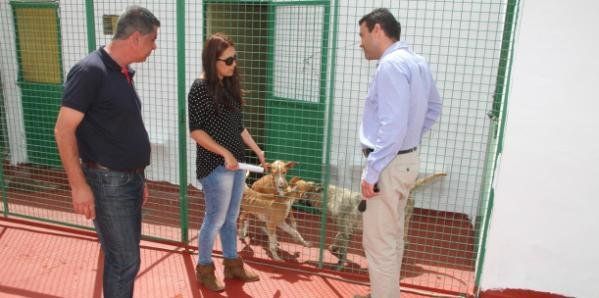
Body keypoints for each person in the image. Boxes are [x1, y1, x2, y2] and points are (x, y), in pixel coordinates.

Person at [54, 5, 159, 298]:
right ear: (136, 38)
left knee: (123, 258)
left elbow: (121, 130)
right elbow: (63, 131)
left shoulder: (122, 73)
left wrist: (139, 178)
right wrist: (78, 186)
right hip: (109, 183)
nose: (155, 46)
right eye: (152, 39)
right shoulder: (90, 71)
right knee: (124, 261)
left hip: (128, 181)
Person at [355, 8, 442, 298]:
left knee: (378, 243)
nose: (361, 42)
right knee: (391, 237)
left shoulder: (391, 65)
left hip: (388, 165)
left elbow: (392, 124)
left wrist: (372, 171)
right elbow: (433, 110)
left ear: (378, 29)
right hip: (406, 160)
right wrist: (409, 139)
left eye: (362, 34)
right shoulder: (417, 62)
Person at [188, 33, 265, 292]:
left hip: (237, 165)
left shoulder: (228, 86)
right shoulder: (200, 88)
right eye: (228, 60)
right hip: (215, 167)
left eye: (235, 59)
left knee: (231, 218)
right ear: (213, 60)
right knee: (215, 218)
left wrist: (257, 150)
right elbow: (196, 131)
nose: (234, 64)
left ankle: (233, 265)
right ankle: (204, 268)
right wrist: (224, 153)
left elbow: (238, 126)